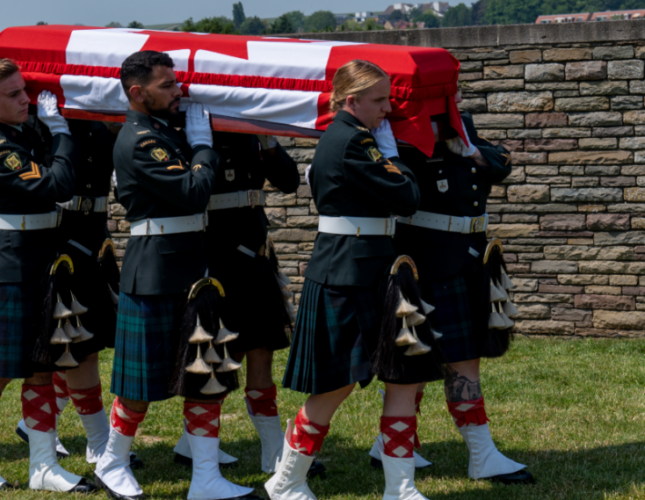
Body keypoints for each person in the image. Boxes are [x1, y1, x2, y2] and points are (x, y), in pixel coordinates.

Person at [265, 60, 441, 500]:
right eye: (379, 100)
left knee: (403, 374)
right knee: (335, 383)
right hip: (347, 273)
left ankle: (400, 488)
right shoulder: (350, 142)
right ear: (352, 100)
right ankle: (286, 481)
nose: (388, 109)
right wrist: (394, 157)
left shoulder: (357, 138)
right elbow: (408, 197)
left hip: (376, 268)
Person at [93, 50, 261, 500]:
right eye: (166, 85)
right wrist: (204, 146)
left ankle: (205, 477)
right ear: (137, 92)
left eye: (176, 82)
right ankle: (112, 460)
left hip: (192, 267)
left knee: (205, 373)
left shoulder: (165, 131)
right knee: (139, 386)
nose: (178, 91)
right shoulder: (139, 139)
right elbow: (192, 191)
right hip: (156, 272)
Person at [0, 58, 96, 494]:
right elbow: (59, 184)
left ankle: (43, 464)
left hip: (40, 262)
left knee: (41, 368)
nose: (26, 99)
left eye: (24, 89)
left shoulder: (21, 132)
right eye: (14, 95)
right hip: (12, 268)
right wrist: (62, 133)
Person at [0, 108, 144, 470]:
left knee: (83, 341)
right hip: (57, 235)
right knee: (73, 343)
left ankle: (87, 437)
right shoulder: (37, 115)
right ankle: (97, 439)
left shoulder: (91, 109)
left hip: (92, 233)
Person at [388, 90, 534, 485]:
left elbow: (501, 163)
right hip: (428, 258)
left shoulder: (460, 126)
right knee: (427, 358)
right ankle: (479, 454)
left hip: (469, 256)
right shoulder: (397, 135)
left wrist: (469, 151)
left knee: (457, 355)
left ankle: (471, 452)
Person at [170, 130, 316, 477]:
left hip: (256, 253)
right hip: (218, 254)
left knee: (261, 348)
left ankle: (273, 451)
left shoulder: (251, 133)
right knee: (220, 355)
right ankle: (192, 443)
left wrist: (267, 141)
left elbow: (289, 181)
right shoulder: (194, 134)